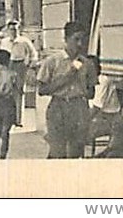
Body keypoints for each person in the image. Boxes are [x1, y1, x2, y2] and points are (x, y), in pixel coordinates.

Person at [36, 21, 97, 158]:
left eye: (83, 39)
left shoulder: (88, 64)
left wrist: (83, 87)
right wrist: (66, 77)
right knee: (58, 152)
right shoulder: (53, 61)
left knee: (76, 151)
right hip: (58, 106)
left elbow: (91, 93)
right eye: (76, 39)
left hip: (79, 108)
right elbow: (42, 90)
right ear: (66, 39)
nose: (80, 44)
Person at [1, 20, 38, 127]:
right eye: (11, 29)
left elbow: (33, 53)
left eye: (15, 29)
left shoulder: (24, 41)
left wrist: (29, 65)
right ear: (8, 30)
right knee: (7, 92)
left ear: (19, 29)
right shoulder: (4, 42)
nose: (13, 32)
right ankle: (8, 117)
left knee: (19, 92)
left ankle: (18, 119)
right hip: (8, 65)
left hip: (20, 66)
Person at [88, 55, 121, 140]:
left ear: (98, 68)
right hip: (96, 117)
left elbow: (96, 108)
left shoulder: (102, 81)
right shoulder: (87, 80)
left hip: (108, 118)